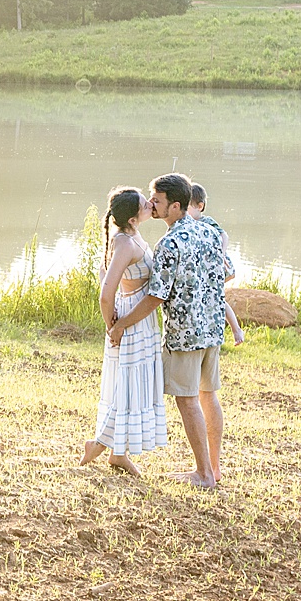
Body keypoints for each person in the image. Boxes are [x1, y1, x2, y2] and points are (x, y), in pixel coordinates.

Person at [109, 174, 230, 487]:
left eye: (157, 201)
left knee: (187, 400)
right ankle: (214, 469)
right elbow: (228, 272)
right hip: (213, 327)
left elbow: (155, 297)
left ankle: (203, 474)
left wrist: (121, 323)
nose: (152, 204)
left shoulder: (169, 243)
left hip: (185, 334)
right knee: (208, 395)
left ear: (175, 206)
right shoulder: (210, 228)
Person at [80, 187, 171, 474]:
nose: (150, 205)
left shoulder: (132, 236)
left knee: (132, 387)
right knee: (127, 386)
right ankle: (99, 444)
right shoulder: (124, 244)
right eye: (146, 204)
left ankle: (116, 451)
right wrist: (114, 327)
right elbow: (105, 294)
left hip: (139, 318)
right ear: (132, 219)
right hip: (129, 320)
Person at [189, 182, 244, 347]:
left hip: (218, 266)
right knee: (210, 296)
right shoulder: (186, 224)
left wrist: (221, 252)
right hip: (205, 269)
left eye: (188, 206)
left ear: (200, 206)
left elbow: (224, 235)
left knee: (217, 297)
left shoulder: (206, 221)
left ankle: (236, 330)